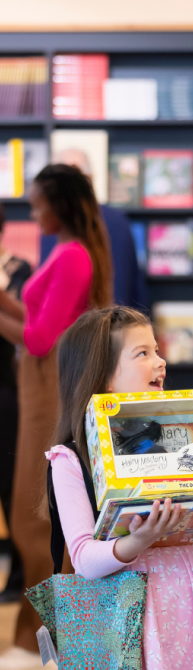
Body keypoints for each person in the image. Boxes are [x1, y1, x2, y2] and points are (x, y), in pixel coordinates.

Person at [46, 305, 193, 670]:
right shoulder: (71, 459)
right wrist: (137, 542)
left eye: (157, 349)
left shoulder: (187, 432)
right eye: (143, 353)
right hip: (130, 621)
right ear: (103, 377)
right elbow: (83, 560)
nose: (161, 361)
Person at [0, 164, 112, 670]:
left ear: (59, 205)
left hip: (50, 392)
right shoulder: (67, 252)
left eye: (38, 201)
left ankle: (49, 637)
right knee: (31, 512)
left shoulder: (72, 257)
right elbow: (41, 321)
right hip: (41, 390)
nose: (32, 210)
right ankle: (35, 637)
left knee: (36, 514)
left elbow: (44, 340)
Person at [41, 148, 147, 309]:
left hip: (101, 327)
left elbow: (122, 288)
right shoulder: (50, 226)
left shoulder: (116, 222)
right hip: (70, 326)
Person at [0, 204, 31, 604]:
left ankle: (20, 573)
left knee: (12, 482)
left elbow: (30, 332)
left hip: (6, 388)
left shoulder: (18, 270)